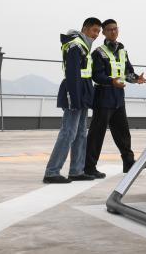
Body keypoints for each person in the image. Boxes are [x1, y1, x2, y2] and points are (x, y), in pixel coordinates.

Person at [84, 19, 146, 177]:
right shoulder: (99, 52)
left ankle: (129, 162)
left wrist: (136, 79)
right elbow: (96, 75)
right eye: (109, 30)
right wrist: (111, 81)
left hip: (118, 98)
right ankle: (89, 167)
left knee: (123, 132)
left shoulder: (122, 51)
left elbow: (127, 72)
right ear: (104, 33)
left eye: (115, 29)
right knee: (97, 135)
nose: (113, 32)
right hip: (103, 97)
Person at [44, 17, 101, 183]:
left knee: (81, 133)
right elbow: (72, 73)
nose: (96, 34)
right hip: (75, 93)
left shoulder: (83, 45)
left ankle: (76, 171)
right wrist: (74, 98)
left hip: (83, 93)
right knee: (68, 132)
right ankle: (52, 172)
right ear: (85, 29)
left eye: (98, 31)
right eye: (94, 30)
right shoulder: (75, 45)